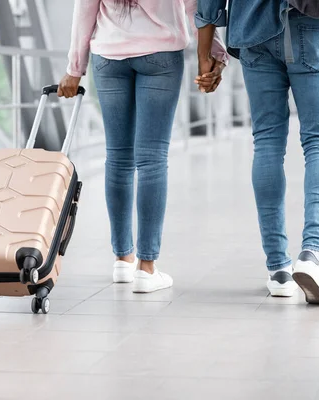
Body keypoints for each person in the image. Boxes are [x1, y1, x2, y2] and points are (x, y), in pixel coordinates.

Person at [195, 0, 319, 304]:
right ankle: (312, 254)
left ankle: (278, 270)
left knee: (267, 142)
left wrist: (204, 51)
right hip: (315, 24)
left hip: (253, 29)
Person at [58, 0, 228, 293]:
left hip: (109, 56)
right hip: (160, 54)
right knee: (152, 159)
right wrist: (216, 52)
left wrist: (75, 69)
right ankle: (146, 268)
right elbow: (194, 7)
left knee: (118, 158)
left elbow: (85, 10)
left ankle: (122, 259)